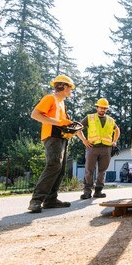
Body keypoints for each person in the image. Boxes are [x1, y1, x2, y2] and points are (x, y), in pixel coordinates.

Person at [28, 75, 76, 213]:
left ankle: (51, 199)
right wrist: (58, 123)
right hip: (51, 136)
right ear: (65, 87)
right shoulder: (50, 98)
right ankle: (36, 200)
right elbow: (35, 114)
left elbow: (62, 120)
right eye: (70, 88)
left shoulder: (62, 103)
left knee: (60, 168)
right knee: (53, 165)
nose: (70, 91)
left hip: (61, 137)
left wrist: (69, 125)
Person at [76, 98, 120, 199]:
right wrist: (84, 140)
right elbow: (78, 129)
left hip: (106, 148)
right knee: (89, 170)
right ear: (97, 107)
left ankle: (98, 191)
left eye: (105, 108)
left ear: (107, 109)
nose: (102, 110)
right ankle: (87, 191)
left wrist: (114, 141)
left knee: (102, 171)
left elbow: (117, 130)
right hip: (92, 147)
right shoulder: (89, 117)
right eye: (101, 108)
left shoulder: (110, 120)